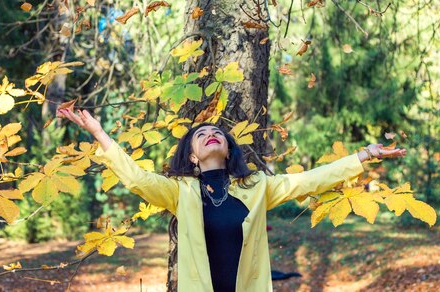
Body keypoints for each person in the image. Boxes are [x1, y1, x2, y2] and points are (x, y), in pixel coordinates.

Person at [58, 109, 406, 291]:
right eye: (201, 135)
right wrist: (100, 134)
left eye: (217, 134)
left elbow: (309, 181)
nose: (211, 135)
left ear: (227, 148)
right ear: (192, 156)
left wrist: (364, 155)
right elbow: (135, 178)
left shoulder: (256, 186)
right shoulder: (180, 191)